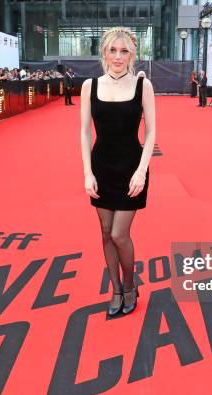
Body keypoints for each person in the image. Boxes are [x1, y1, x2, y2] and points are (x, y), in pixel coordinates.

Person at [80, 26, 155, 317]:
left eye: (124, 51)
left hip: (131, 167)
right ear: (104, 52)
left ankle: (129, 285)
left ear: (133, 53)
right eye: (113, 50)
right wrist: (87, 172)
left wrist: (141, 171)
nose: (118, 56)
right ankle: (115, 290)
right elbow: (85, 133)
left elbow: (151, 133)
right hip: (101, 167)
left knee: (120, 234)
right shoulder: (90, 86)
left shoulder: (142, 86)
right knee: (105, 231)